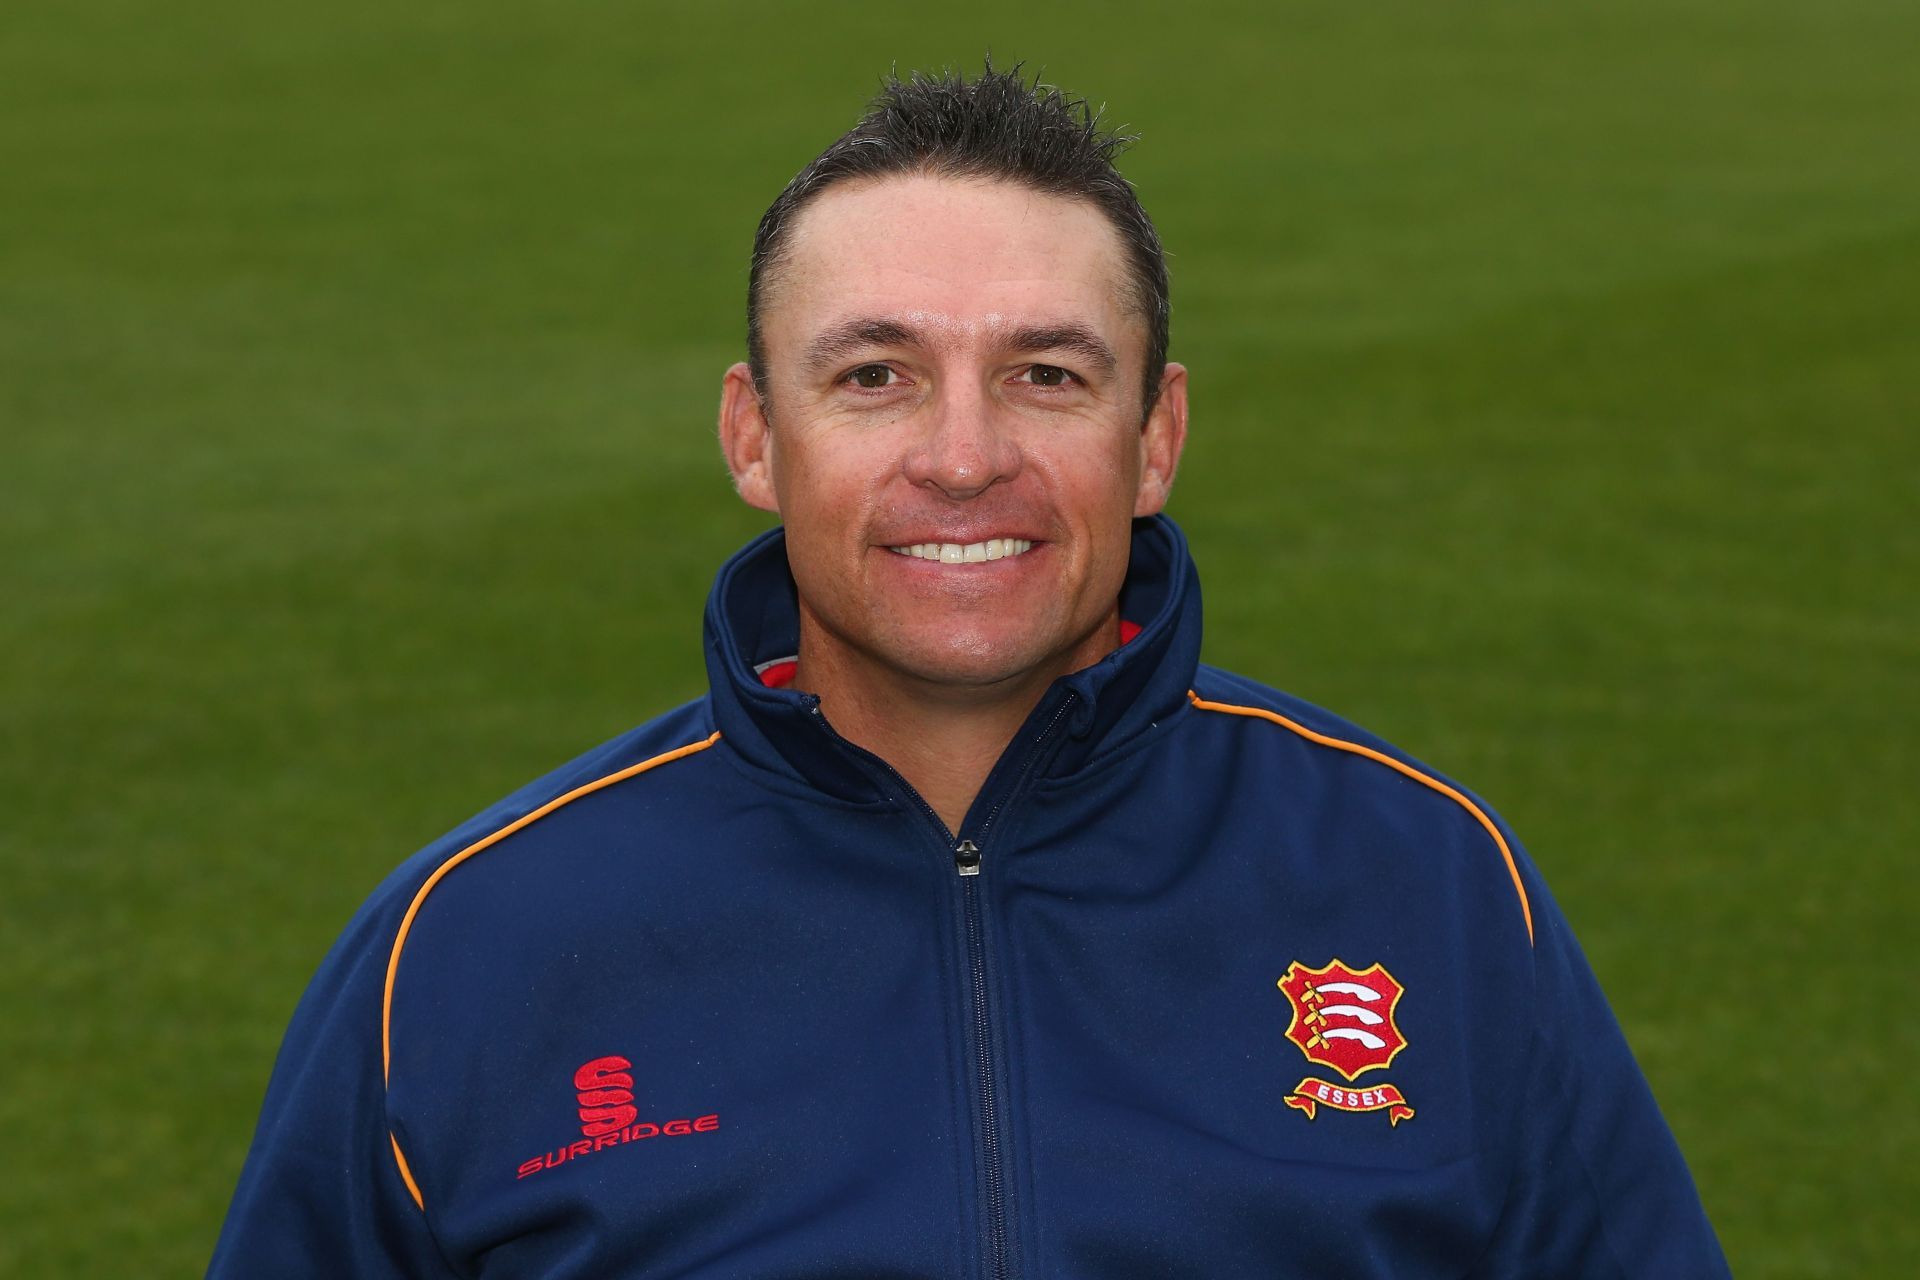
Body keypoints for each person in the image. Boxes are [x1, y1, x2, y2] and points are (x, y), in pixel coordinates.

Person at [210, 66, 1729, 1278]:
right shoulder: (469, 942)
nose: (962, 458)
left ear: (1157, 437)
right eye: (874, 377)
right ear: (754, 435)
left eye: (1046, 376)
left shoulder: (1431, 887)